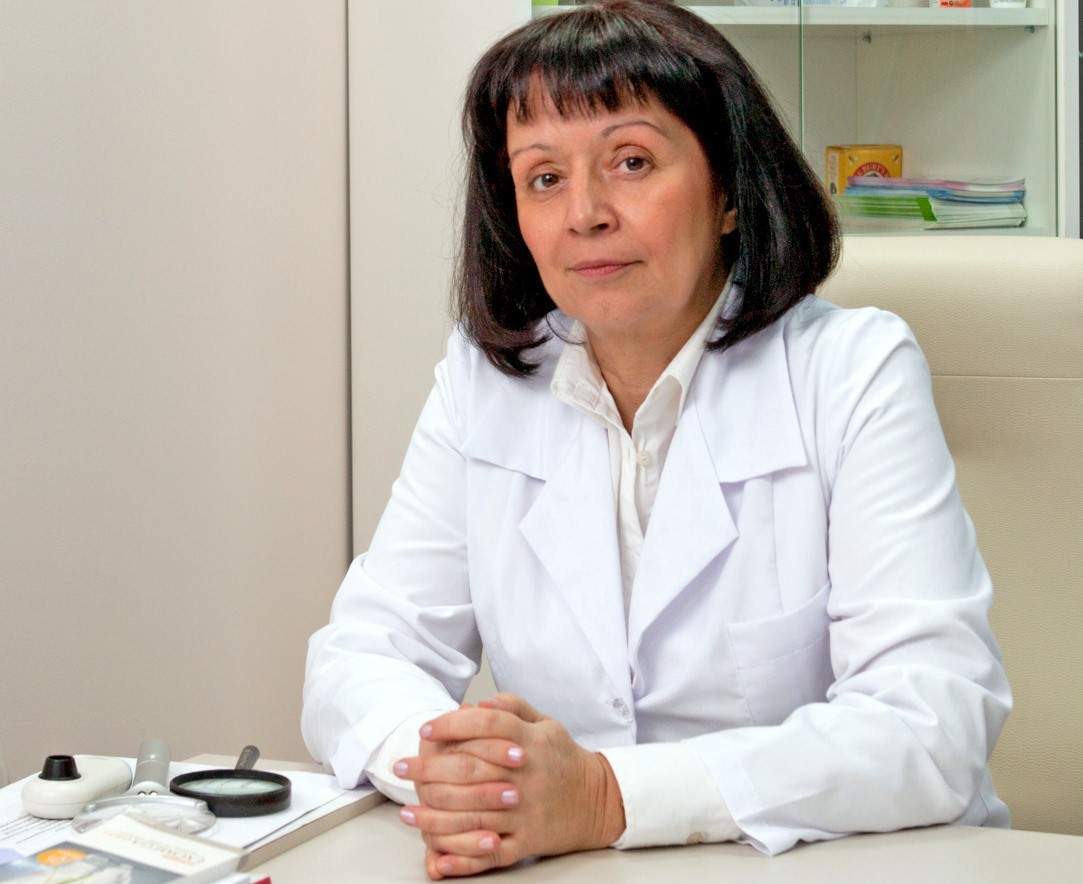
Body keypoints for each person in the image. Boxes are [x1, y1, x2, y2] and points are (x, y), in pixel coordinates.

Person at [301, 0, 1011, 878]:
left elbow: (930, 725)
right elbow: (364, 654)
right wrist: (455, 769)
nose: (584, 214)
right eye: (542, 178)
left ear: (728, 193)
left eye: (630, 161)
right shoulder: (488, 380)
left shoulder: (852, 370)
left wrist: (606, 796)